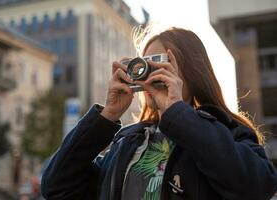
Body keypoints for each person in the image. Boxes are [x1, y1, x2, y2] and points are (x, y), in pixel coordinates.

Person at [41, 27, 277, 200]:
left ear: (192, 71)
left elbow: (257, 187)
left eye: (162, 63)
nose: (153, 74)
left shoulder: (227, 130)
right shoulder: (127, 143)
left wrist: (178, 112)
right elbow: (56, 186)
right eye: (146, 64)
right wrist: (107, 116)